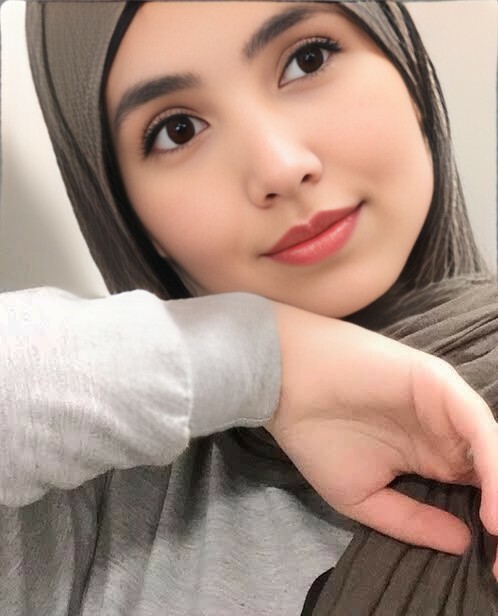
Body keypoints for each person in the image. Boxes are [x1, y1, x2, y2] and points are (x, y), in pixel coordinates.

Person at [0, 1, 496, 614]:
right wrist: (261, 360)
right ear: (128, 214)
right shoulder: (93, 503)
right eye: (178, 130)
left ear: (406, 70)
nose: (279, 168)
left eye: (307, 59)